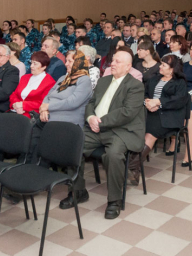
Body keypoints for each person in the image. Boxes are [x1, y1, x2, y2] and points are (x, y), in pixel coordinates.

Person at [59, 48, 145, 220]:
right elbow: (91, 102)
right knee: (72, 146)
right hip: (96, 127)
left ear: (128, 66)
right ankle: (78, 191)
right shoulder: (103, 81)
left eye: (117, 61)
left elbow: (127, 113)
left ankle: (114, 200)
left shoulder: (135, 86)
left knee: (113, 155)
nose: (112, 64)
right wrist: (90, 117)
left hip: (120, 130)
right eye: (112, 60)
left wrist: (100, 122)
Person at [26, 50, 93, 165]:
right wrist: (44, 109)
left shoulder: (84, 80)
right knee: (31, 140)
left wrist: (49, 107)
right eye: (66, 61)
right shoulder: (63, 78)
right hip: (49, 119)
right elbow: (48, 95)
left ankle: (36, 171)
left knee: (41, 143)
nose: (66, 64)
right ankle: (27, 168)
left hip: (67, 122)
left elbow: (73, 102)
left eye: (70, 61)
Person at [129, 54, 188, 181]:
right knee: (134, 128)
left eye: (163, 65)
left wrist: (159, 102)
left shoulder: (180, 82)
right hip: (150, 112)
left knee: (150, 132)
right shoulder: (154, 79)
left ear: (172, 69)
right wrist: (147, 103)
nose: (160, 66)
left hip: (170, 116)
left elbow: (178, 101)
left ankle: (130, 167)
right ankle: (133, 169)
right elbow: (144, 93)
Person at [9, 51, 56, 118]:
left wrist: (23, 105)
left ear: (43, 67)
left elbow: (42, 103)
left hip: (31, 115)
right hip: (15, 111)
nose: (31, 66)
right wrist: (16, 105)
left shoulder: (50, 82)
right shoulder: (24, 77)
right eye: (31, 63)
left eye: (35, 64)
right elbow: (14, 94)